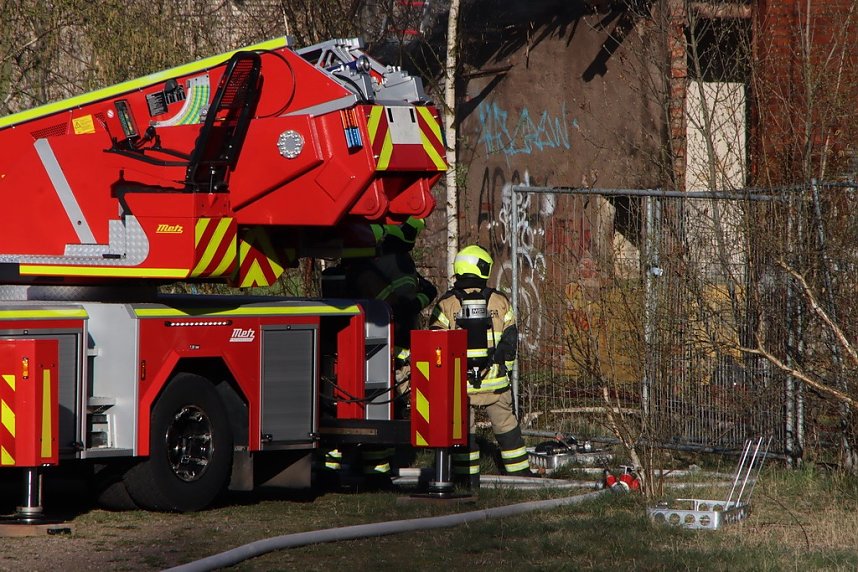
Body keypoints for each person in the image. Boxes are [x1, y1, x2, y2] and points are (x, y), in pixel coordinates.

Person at [320, 217, 437, 489]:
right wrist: (426, 295)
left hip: (352, 346)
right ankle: (375, 468)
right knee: (383, 404)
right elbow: (405, 307)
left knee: (341, 401)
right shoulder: (394, 263)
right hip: (386, 346)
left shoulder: (359, 263)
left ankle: (333, 465)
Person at [429, 245, 530, 488]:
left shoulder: (446, 304)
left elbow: (434, 340)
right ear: (483, 268)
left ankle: (466, 479)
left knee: (465, 431)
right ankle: (521, 477)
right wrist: (502, 368)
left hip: (459, 386)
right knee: (507, 428)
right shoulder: (499, 300)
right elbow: (510, 338)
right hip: (496, 385)